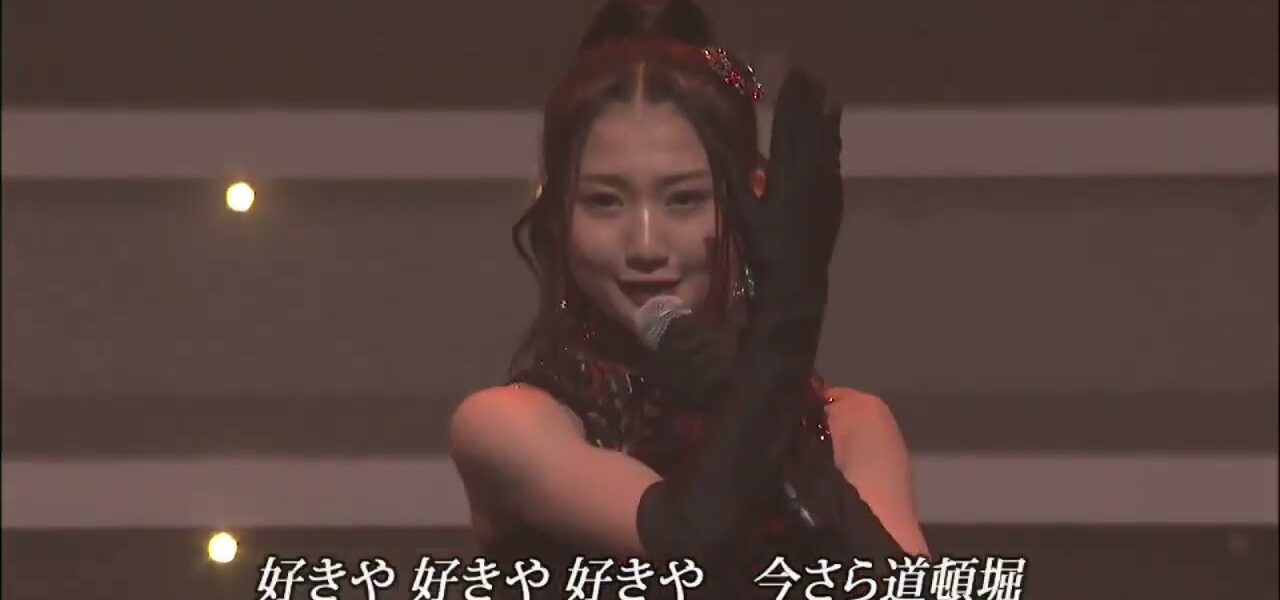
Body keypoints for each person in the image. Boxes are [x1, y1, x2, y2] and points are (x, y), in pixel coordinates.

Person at [449, 1, 930, 596]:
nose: (646, 245)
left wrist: (764, 389)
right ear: (555, 215)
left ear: (754, 203)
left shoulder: (852, 426)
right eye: (604, 201)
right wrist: (782, 327)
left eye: (683, 199)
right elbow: (688, 539)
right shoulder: (510, 426)